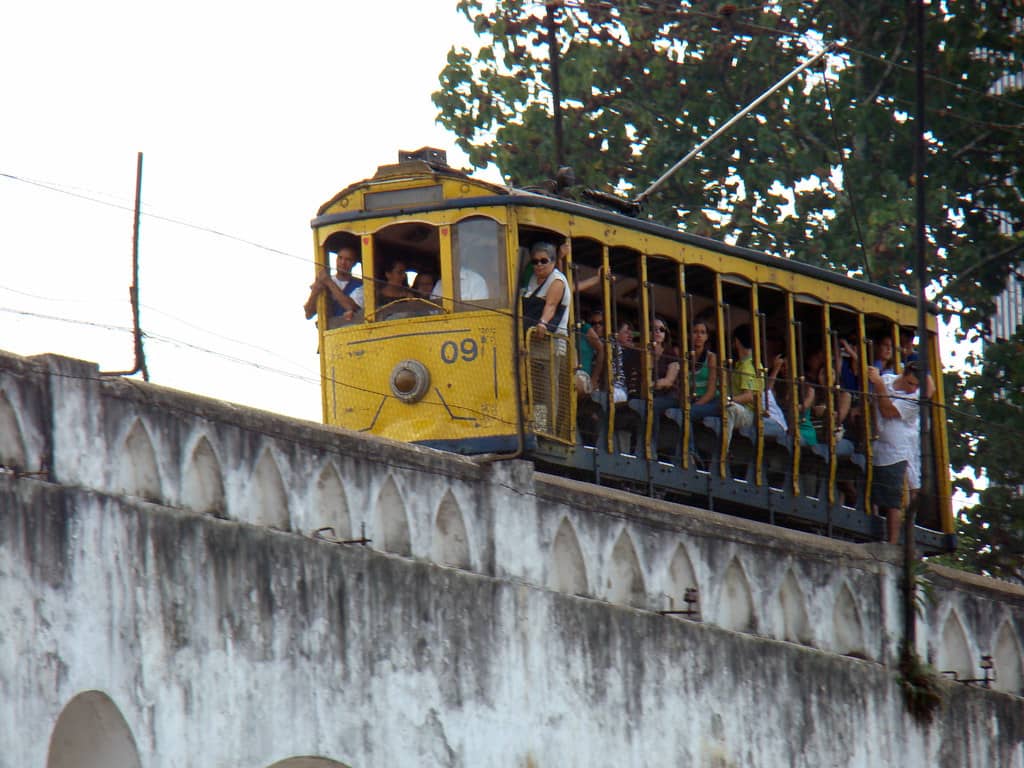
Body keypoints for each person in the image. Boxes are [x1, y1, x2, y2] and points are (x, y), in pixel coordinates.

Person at [868, 360, 922, 543]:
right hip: (877, 447)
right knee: (875, 493)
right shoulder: (887, 380)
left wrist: (879, 384)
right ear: (903, 374)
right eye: (910, 383)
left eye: (917, 385)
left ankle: (892, 541)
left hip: (897, 452)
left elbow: (887, 411)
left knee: (893, 500)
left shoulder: (914, 400)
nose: (912, 389)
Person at [303, 245, 364, 328]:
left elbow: (352, 307)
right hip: (328, 333)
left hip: (350, 330)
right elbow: (308, 314)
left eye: (348, 260)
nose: (343, 262)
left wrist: (329, 282)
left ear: (354, 263)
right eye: (340, 258)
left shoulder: (359, 285)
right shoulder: (324, 280)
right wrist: (315, 291)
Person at [522, 242, 570, 340]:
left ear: (553, 262)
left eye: (543, 261)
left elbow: (551, 305)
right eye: (535, 262)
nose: (539, 264)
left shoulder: (557, 279)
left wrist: (543, 323)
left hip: (551, 341)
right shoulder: (533, 278)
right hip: (530, 338)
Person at [727, 324, 763, 437]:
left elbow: (749, 396)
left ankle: (724, 451)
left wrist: (728, 399)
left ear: (736, 341)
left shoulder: (748, 366)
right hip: (745, 410)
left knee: (729, 408)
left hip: (749, 414)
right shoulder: (746, 364)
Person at [689, 320, 720, 421]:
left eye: (702, 332)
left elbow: (711, 391)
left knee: (687, 413)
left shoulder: (711, 357)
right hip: (692, 400)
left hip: (712, 401)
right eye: (695, 332)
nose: (699, 335)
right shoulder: (685, 356)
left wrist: (695, 405)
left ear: (707, 337)